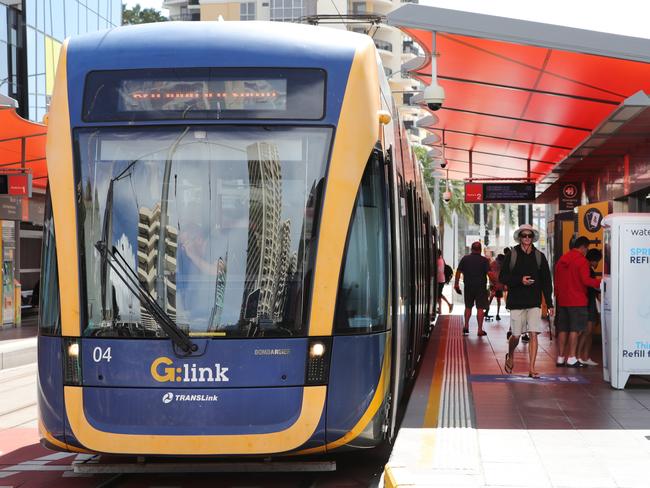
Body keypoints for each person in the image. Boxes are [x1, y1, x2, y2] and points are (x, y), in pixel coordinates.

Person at [499, 224, 554, 378]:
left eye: (530, 236)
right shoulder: (512, 255)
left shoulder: (539, 256)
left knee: (534, 333)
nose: (527, 238)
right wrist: (519, 280)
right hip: (516, 301)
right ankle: (510, 354)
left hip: (534, 301)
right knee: (516, 335)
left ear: (533, 237)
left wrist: (549, 304)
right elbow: (503, 277)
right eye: (524, 235)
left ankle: (532, 368)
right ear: (520, 237)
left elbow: (546, 281)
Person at [554, 236, 601, 367]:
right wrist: (601, 282)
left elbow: (556, 280)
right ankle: (572, 357)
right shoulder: (581, 261)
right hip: (577, 300)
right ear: (583, 247)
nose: (586, 251)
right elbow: (586, 280)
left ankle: (560, 357)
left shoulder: (562, 259)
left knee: (563, 329)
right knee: (575, 330)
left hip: (562, 300)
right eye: (587, 249)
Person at [454, 241, 490, 336]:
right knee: (480, 309)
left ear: (471, 249)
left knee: (468, 307)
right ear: (481, 249)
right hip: (481, 287)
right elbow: (489, 273)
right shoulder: (484, 260)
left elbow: (458, 271)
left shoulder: (465, 259)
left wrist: (456, 284)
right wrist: (494, 283)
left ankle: (466, 326)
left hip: (468, 286)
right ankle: (479, 330)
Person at [577, 248, 602, 366]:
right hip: (587, 303)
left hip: (590, 302)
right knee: (586, 331)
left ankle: (586, 357)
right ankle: (578, 356)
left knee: (589, 332)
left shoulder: (588, 269)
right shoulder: (587, 269)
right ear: (593, 260)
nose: (598, 264)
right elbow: (590, 285)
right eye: (597, 261)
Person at [485, 253, 505, 321]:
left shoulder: (493, 263)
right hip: (498, 284)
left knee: (491, 298)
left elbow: (489, 272)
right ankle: (497, 314)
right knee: (498, 300)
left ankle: (487, 311)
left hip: (493, 284)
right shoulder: (502, 265)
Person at [436, 249, 453, 314]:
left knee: (439, 295)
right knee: (439, 295)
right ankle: (440, 310)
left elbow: (439, 271)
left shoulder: (439, 261)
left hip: (439, 280)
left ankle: (449, 304)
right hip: (441, 280)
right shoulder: (441, 260)